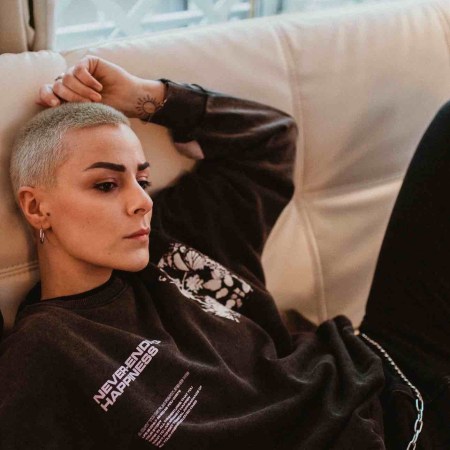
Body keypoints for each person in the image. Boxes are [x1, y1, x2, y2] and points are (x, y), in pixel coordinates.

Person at [0, 55, 448, 449]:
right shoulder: (45, 349)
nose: (141, 201)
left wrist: (145, 97)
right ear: (36, 207)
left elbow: (271, 140)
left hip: (381, 368)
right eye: (105, 185)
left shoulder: (171, 238)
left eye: (143, 179)